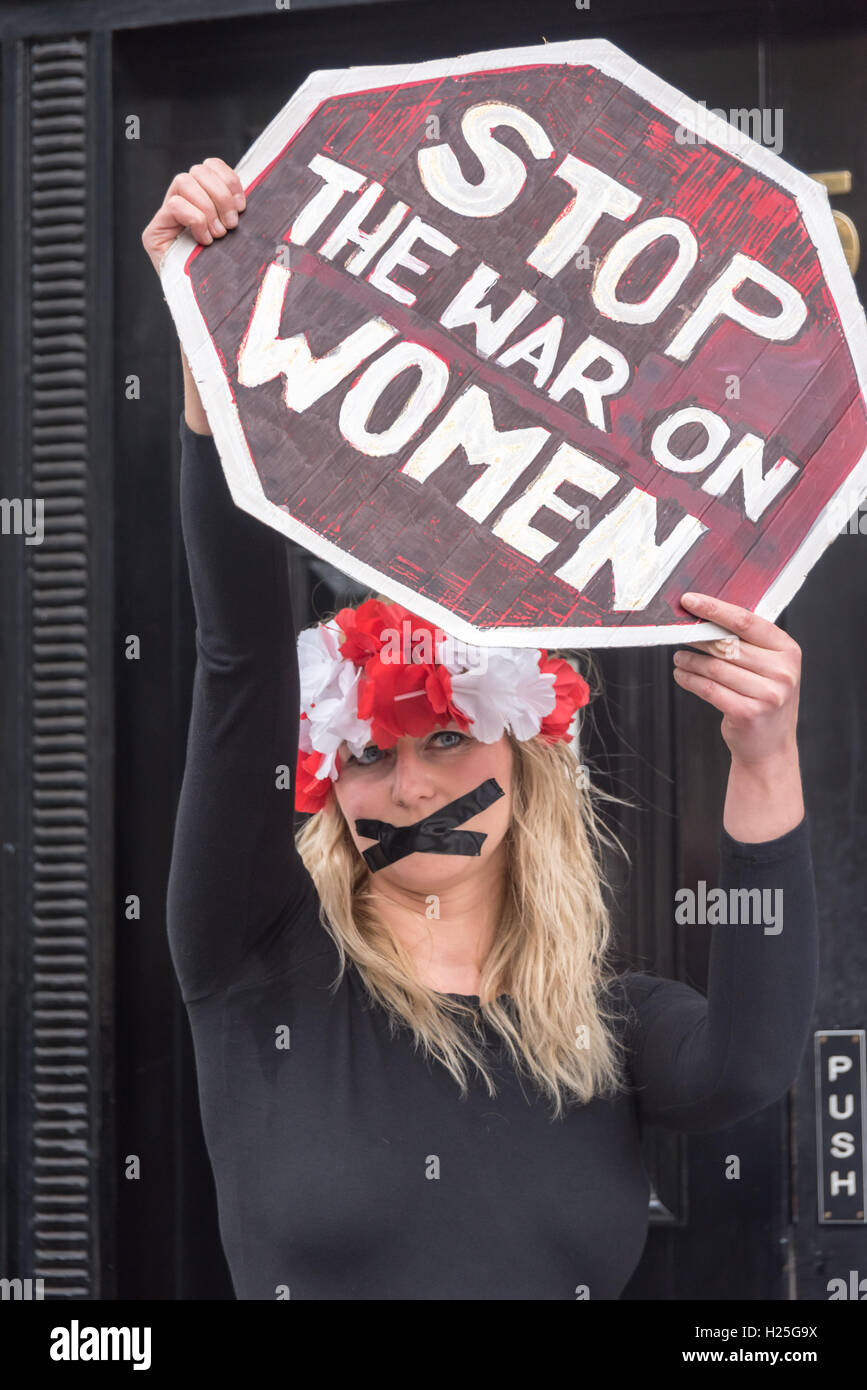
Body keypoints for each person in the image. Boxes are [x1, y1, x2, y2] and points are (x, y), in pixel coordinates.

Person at [143, 159, 818, 1301]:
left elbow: (750, 1064)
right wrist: (207, 332)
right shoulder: (253, 968)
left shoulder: (612, 1028)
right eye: (366, 754)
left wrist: (767, 750)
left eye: (447, 740)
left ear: (525, 759)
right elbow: (241, 658)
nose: (406, 785)